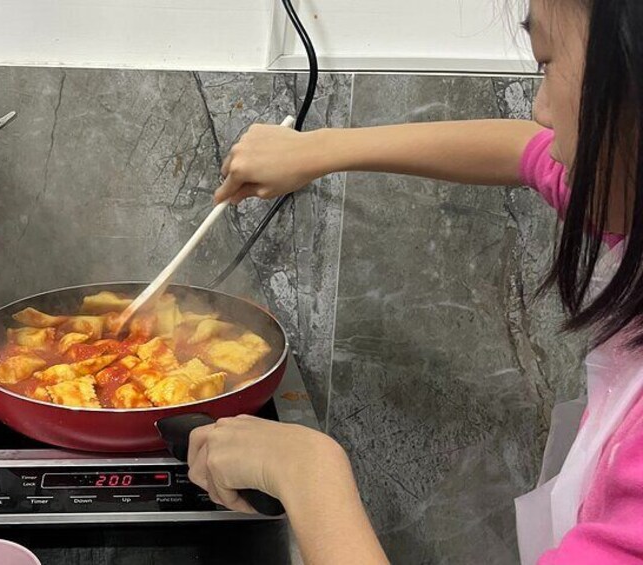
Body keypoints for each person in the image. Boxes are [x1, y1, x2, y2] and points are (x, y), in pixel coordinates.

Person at [185, 0, 643, 563]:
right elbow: (525, 150)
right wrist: (318, 150)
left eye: (547, 63)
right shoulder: (623, 191)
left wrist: (307, 474)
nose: (541, 110)